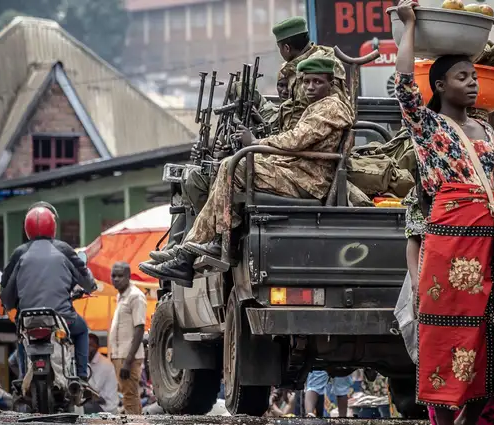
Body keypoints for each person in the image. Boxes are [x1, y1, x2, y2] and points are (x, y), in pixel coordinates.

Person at [392, 2, 494, 425]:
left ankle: (469, 420)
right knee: (449, 339)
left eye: (474, 77)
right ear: (440, 85)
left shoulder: (486, 129)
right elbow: (403, 84)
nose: (472, 83)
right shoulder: (427, 126)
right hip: (450, 242)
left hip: (490, 242)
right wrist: (409, 26)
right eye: (462, 77)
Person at [139, 58, 354, 285]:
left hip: (308, 179)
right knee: (229, 165)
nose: (310, 87)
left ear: (331, 84)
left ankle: (204, 248)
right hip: (296, 171)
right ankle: (191, 249)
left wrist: (256, 142)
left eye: (317, 82)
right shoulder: (318, 106)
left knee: (234, 167)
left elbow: (295, 140)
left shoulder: (331, 107)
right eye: (307, 81)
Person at [0, 202, 97, 383]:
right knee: (82, 330)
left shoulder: (19, 253)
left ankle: (23, 376)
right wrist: (91, 286)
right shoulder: (64, 249)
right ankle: (82, 377)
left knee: (21, 335)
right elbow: (87, 280)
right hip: (63, 319)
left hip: (28, 320)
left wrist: (8, 303)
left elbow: (6, 293)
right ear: (53, 226)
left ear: (27, 228)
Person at [272, 16, 348, 132]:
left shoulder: (317, 66)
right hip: (298, 136)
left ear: (287, 48)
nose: (310, 85)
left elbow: (328, 115)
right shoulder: (297, 67)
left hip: (311, 138)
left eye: (280, 48)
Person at [108, 262, 147, 415]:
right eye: (114, 276)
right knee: (128, 396)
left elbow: (139, 329)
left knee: (130, 396)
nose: (116, 279)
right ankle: (136, 424)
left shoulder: (136, 296)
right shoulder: (120, 296)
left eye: (120, 276)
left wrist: (128, 361)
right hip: (120, 356)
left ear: (128, 277)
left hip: (128, 357)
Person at [84, 333, 119, 414]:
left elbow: (95, 389)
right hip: (98, 403)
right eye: (85, 345)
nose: (87, 348)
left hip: (106, 407)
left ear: (97, 347)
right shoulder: (90, 361)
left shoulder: (104, 364)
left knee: (80, 408)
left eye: (90, 345)